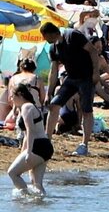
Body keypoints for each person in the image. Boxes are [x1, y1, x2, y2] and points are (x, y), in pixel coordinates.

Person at [41, 23, 99, 157]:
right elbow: (53, 71)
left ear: (51, 33)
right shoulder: (53, 48)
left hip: (86, 77)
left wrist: (95, 72)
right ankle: (47, 140)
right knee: (54, 105)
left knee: (86, 110)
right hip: (71, 78)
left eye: (45, 36)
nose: (45, 39)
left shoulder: (72, 35)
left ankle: (84, 145)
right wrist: (48, 93)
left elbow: (93, 51)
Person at [7, 84, 53, 195]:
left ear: (20, 95)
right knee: (37, 184)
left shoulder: (27, 107)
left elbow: (30, 130)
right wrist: (23, 152)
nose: (11, 99)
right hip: (45, 146)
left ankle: (25, 199)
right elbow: (26, 135)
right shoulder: (29, 106)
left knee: (12, 173)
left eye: (12, 96)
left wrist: (28, 152)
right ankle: (38, 207)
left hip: (38, 146)